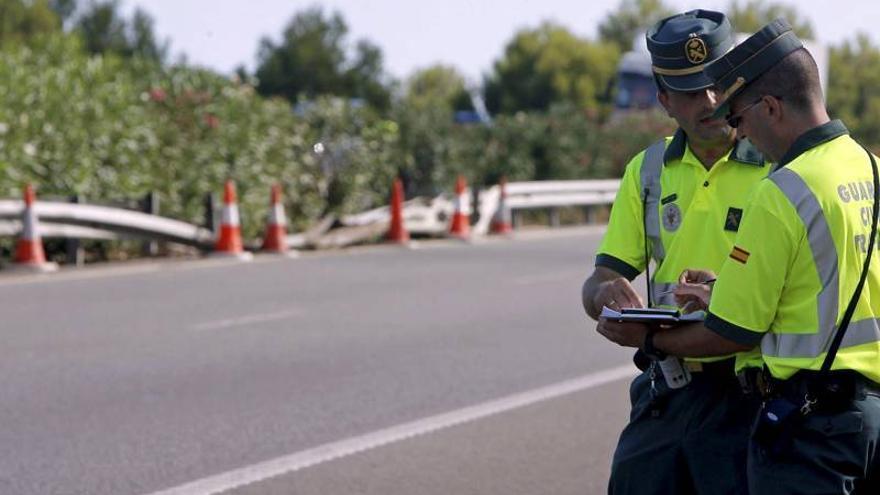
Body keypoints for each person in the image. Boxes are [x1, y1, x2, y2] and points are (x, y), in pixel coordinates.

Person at [597, 19, 880, 494]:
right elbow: (823, 284)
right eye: (692, 92)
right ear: (666, 100)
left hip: (792, 411)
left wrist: (648, 339)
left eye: (737, 113)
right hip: (857, 414)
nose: (723, 115)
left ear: (768, 105)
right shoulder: (870, 168)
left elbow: (735, 329)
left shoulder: (782, 186)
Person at [580, 9, 767, 494]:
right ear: (664, 100)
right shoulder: (646, 171)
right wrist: (605, 295)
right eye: (689, 92)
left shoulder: (780, 166)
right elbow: (600, 278)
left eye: (716, 84)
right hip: (669, 386)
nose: (708, 101)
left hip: (752, 391)